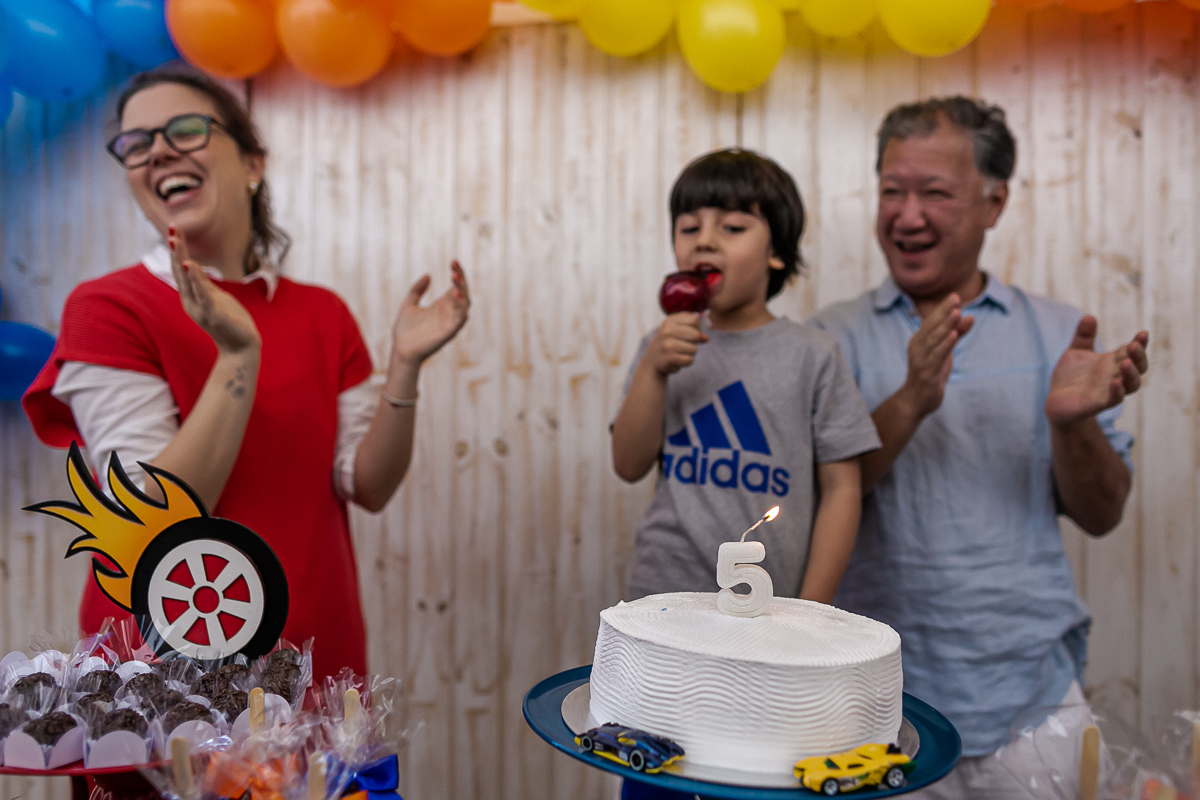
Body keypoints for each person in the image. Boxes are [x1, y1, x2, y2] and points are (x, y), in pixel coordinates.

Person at [22, 65, 470, 681]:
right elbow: (151, 517)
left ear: (252, 164)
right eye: (136, 144)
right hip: (161, 674)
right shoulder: (106, 308)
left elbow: (367, 484)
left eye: (185, 129)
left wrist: (404, 368)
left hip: (311, 654)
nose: (158, 152)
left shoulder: (323, 313)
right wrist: (238, 358)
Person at [808, 97, 1150, 798]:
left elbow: (1103, 513)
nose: (907, 216)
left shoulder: (1058, 334)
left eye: (935, 193)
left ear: (995, 204)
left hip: (1034, 703)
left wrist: (1072, 424)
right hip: (871, 707)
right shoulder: (827, 339)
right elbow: (817, 499)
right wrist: (909, 399)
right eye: (892, 191)